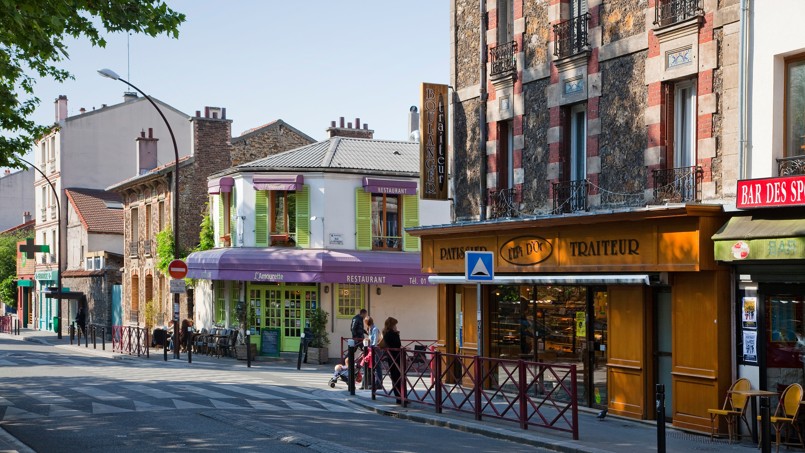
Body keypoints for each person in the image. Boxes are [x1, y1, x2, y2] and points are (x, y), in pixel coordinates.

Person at [382, 316, 403, 404]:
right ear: (392, 325)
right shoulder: (391, 333)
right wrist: (397, 334)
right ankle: (399, 397)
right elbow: (397, 344)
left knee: (397, 377)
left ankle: (400, 396)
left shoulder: (386, 333)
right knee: (397, 376)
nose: (396, 326)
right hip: (395, 357)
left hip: (392, 357)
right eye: (395, 324)